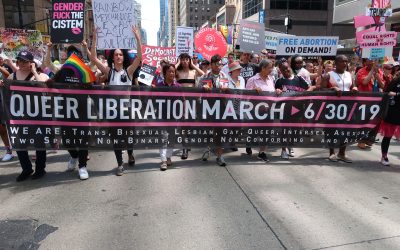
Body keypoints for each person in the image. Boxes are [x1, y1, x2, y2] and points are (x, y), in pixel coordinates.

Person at [90, 25, 142, 176]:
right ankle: (120, 163)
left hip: (127, 111)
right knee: (116, 138)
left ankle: (130, 153)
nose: (118, 56)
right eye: (116, 54)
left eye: (121, 54)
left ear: (124, 57)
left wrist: (138, 39)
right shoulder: (109, 72)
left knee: (129, 136)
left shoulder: (129, 71)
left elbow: (139, 58)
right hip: (113, 112)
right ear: (112, 57)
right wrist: (95, 38)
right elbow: (93, 58)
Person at [6, 51, 49, 181]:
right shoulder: (12, 76)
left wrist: (34, 72)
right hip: (19, 115)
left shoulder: (40, 75)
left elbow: (44, 86)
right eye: (20, 60)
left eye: (25, 61)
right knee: (19, 143)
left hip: (37, 115)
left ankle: (40, 169)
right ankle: (26, 168)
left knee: (39, 142)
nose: (22, 63)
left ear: (32, 63)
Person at [275, 59, 316, 159]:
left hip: (298, 110)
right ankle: (283, 150)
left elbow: (311, 87)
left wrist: (305, 93)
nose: (286, 71)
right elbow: (275, 93)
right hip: (284, 110)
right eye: (283, 69)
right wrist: (277, 91)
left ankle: (291, 146)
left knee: (295, 131)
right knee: (284, 130)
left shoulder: (299, 79)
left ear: (290, 68)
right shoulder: (279, 81)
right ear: (280, 70)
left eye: (287, 68)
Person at [321, 55, 357, 163]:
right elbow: (321, 89)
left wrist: (355, 88)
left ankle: (342, 153)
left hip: (347, 106)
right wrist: (332, 88)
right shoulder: (328, 75)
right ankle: (332, 152)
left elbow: (353, 86)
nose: (345, 64)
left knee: (346, 130)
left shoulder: (349, 74)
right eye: (342, 61)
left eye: (346, 61)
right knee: (331, 129)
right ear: (336, 63)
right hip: (332, 107)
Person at [199, 54, 229, 166]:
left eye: (220, 64)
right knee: (207, 130)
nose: (219, 66)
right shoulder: (205, 76)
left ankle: (220, 156)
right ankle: (207, 151)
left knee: (219, 132)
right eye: (217, 64)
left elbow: (227, 95)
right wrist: (203, 89)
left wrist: (225, 90)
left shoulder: (223, 76)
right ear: (211, 64)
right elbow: (198, 92)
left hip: (220, 107)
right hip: (208, 106)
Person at [246, 59, 276, 162]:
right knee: (254, 132)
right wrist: (254, 91)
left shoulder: (271, 79)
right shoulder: (252, 80)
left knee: (266, 132)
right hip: (256, 111)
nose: (271, 70)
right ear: (262, 68)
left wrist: (277, 91)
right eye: (269, 68)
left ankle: (262, 152)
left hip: (269, 110)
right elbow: (246, 96)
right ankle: (249, 144)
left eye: (272, 67)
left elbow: (272, 93)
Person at [175, 53, 204, 159]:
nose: (185, 61)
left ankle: (187, 142)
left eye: (187, 59)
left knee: (189, 124)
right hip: (181, 101)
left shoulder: (194, 72)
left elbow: (203, 74)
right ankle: (184, 148)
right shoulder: (177, 72)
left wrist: (193, 64)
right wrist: (177, 63)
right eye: (183, 60)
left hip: (192, 101)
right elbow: (170, 71)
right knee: (183, 124)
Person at [356, 58, 384, 149]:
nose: (372, 61)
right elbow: (364, 82)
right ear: (365, 62)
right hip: (364, 101)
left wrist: (377, 76)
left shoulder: (379, 71)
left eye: (374, 60)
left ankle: (369, 139)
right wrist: (372, 71)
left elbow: (382, 85)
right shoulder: (361, 71)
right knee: (364, 121)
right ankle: (361, 140)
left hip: (376, 101)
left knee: (375, 121)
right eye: (370, 60)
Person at [157, 63, 181, 170]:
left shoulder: (178, 87)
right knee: (163, 138)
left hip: (174, 116)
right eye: (169, 71)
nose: (172, 73)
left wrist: (182, 113)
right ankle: (163, 160)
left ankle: (168, 157)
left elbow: (183, 100)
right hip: (161, 116)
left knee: (171, 137)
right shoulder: (159, 86)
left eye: (173, 71)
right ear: (164, 73)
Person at [239, 51, 259, 155]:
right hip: (239, 98)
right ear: (241, 56)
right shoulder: (236, 66)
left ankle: (249, 144)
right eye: (244, 54)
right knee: (236, 122)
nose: (246, 56)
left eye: (248, 55)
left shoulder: (254, 66)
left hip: (251, 99)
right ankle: (233, 140)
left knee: (251, 123)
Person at [380, 75, 400, 166]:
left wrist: (396, 94)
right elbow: (387, 92)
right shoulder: (395, 81)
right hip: (393, 111)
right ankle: (384, 156)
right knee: (388, 136)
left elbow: (393, 93)